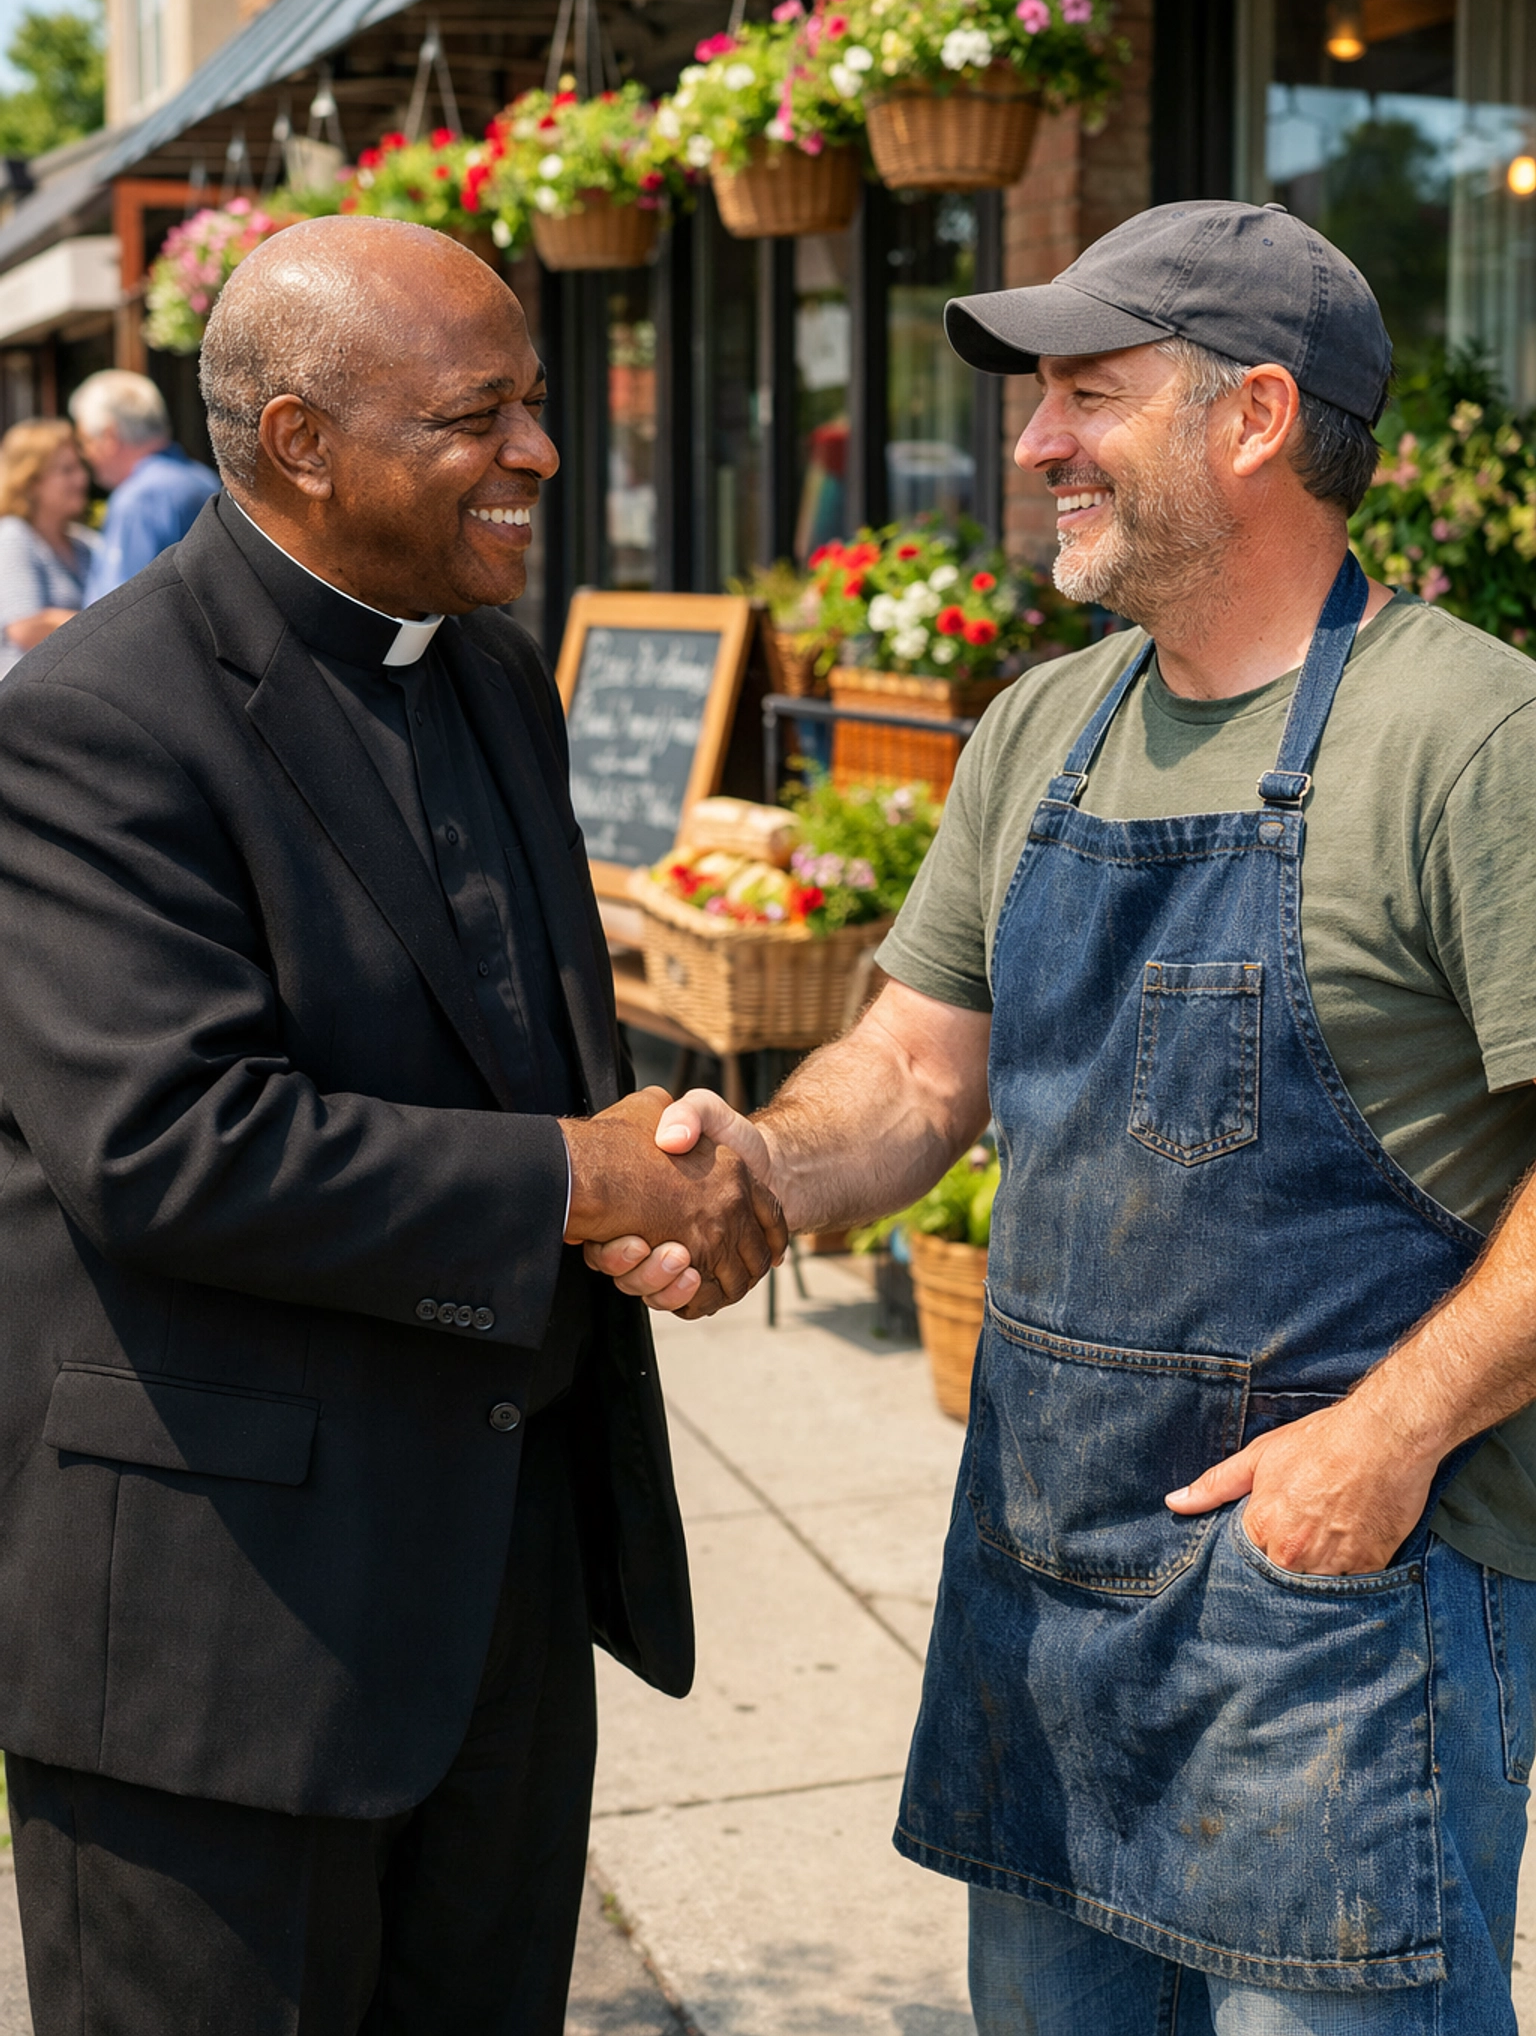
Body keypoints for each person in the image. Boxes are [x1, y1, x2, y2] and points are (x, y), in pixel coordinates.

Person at [596, 201, 1536, 2032]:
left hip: (1344, 1616)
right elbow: (918, 1068)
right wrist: (769, 1168)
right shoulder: (1041, 727)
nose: (1030, 446)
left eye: (1085, 396)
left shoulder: (1468, 737)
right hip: (1049, 1596)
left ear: (1254, 417)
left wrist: (1383, 1442)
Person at [0, 216, 784, 2036]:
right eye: (480, 412)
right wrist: (570, 1176)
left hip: (494, 1586)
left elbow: (529, 1057)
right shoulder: (88, 724)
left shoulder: (496, 669)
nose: (540, 450)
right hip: (219, 1644)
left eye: (533, 401)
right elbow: (172, 1144)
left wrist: (641, 1191)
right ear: (298, 442)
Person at [70, 366, 218, 601]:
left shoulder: (138, 499)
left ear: (109, 436)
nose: (85, 454)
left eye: (85, 441)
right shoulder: (204, 479)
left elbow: (115, 611)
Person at [0, 419, 94, 675]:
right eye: (67, 470)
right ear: (30, 481)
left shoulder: (86, 543)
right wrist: (106, 624)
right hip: (25, 702)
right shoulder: (13, 536)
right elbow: (25, 628)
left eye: (80, 467)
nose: (82, 479)